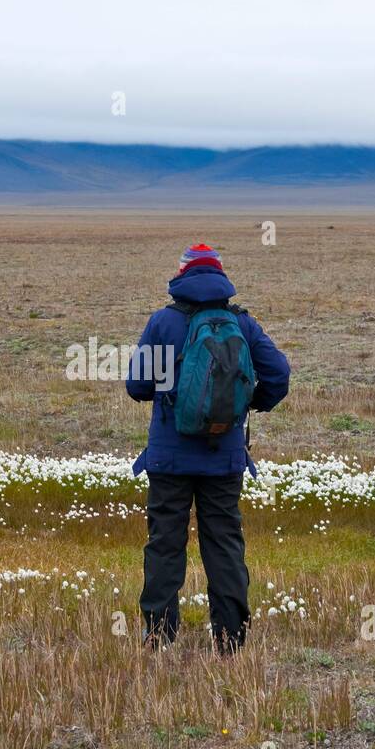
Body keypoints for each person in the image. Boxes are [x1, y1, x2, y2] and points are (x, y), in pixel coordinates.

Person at [125, 244, 291, 653]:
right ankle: (230, 641)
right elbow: (280, 375)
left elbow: (136, 386)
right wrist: (247, 405)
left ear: (181, 275)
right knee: (224, 545)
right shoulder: (242, 324)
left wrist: (171, 390)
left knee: (165, 544)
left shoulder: (164, 323)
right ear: (220, 276)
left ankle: (159, 637)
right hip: (225, 456)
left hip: (169, 458)